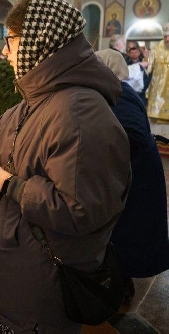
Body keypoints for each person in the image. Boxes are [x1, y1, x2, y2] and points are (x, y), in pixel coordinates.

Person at [0, 0, 129, 332]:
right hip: (22, 270)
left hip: (44, 282)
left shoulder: (78, 112)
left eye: (12, 41)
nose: (5, 50)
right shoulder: (37, 100)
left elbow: (80, 210)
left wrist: (6, 183)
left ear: (39, 43)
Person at [95, 49, 169, 305]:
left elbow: (132, 133)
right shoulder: (122, 91)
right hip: (136, 175)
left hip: (136, 180)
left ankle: (118, 287)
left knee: (125, 236)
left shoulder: (119, 95)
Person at [146, 23, 169, 120]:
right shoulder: (155, 50)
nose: (167, 39)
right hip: (158, 88)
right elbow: (148, 70)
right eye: (165, 37)